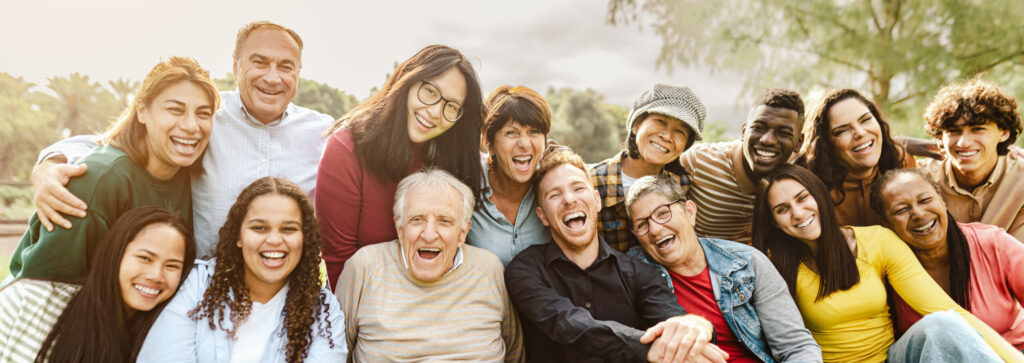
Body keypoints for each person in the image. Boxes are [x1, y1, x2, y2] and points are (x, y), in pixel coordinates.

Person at [29, 21, 333, 258]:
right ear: (237, 67)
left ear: (298, 73)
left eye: (285, 66)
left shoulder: (322, 134)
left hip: (281, 293)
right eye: (260, 62)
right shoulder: (204, 117)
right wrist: (49, 165)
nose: (272, 77)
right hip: (197, 289)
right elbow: (115, 141)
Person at [752, 164, 1021, 362]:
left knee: (942, 324)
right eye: (782, 209)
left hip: (893, 359)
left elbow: (947, 310)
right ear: (774, 221)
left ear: (819, 196)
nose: (798, 213)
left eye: (802, 198)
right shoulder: (772, 267)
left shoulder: (878, 241)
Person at [506, 146, 728, 363]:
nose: (569, 200)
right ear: (543, 216)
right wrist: (648, 348)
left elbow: (673, 322)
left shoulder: (640, 273)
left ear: (597, 200)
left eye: (578, 188)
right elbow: (566, 322)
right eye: (555, 195)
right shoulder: (524, 270)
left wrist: (697, 326)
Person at [9, 56, 218, 281]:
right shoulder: (99, 180)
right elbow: (46, 286)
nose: (191, 126)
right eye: (175, 110)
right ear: (142, 111)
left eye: (203, 113)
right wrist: (47, 164)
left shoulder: (196, 173)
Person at [317, 44, 485, 289]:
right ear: (407, 82)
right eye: (430, 92)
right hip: (371, 307)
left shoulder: (454, 155)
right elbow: (339, 264)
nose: (436, 112)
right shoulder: (347, 149)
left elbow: (496, 161)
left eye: (451, 106)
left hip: (445, 301)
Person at [137, 177, 347, 362]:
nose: (274, 240)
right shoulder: (198, 284)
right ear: (238, 236)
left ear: (305, 239)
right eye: (259, 228)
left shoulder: (324, 312)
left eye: (288, 229)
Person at [625, 174, 822, 363]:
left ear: (690, 212)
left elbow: (795, 346)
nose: (655, 230)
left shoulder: (746, 262)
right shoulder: (631, 272)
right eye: (642, 225)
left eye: (663, 213)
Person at [337, 169, 523, 362]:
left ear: (462, 233)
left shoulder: (488, 269)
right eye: (417, 219)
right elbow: (334, 352)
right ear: (400, 229)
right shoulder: (365, 267)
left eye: (444, 221)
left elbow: (515, 353)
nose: (429, 234)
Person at [0, 206, 196, 362]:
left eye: (172, 266)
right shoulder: (27, 301)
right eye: (145, 258)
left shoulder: (166, 343)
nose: (156, 275)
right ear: (115, 254)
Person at [871, 168, 1024, 349]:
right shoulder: (882, 270)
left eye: (925, 200)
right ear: (886, 223)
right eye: (901, 209)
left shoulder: (992, 243)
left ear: (942, 200)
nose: (919, 214)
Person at [590, 83, 706, 251]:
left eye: (680, 131)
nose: (667, 136)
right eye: (660, 121)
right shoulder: (592, 181)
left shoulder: (682, 184)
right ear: (636, 125)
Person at [681, 88, 805, 244]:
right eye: (758, 128)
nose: (768, 140)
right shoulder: (698, 161)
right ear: (744, 131)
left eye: (783, 132)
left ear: (798, 142)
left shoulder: (797, 182)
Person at [917, 79, 1024, 242]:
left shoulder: (1020, 180)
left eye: (978, 129)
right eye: (954, 131)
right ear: (940, 137)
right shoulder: (921, 180)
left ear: (1003, 133)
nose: (964, 143)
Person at [795, 88, 915, 227]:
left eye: (866, 120)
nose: (860, 133)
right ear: (825, 143)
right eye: (842, 130)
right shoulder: (807, 189)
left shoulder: (903, 163)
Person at [467, 85, 550, 265]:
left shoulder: (553, 183)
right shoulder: (465, 184)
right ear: (489, 144)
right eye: (511, 133)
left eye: (534, 132)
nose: (525, 144)